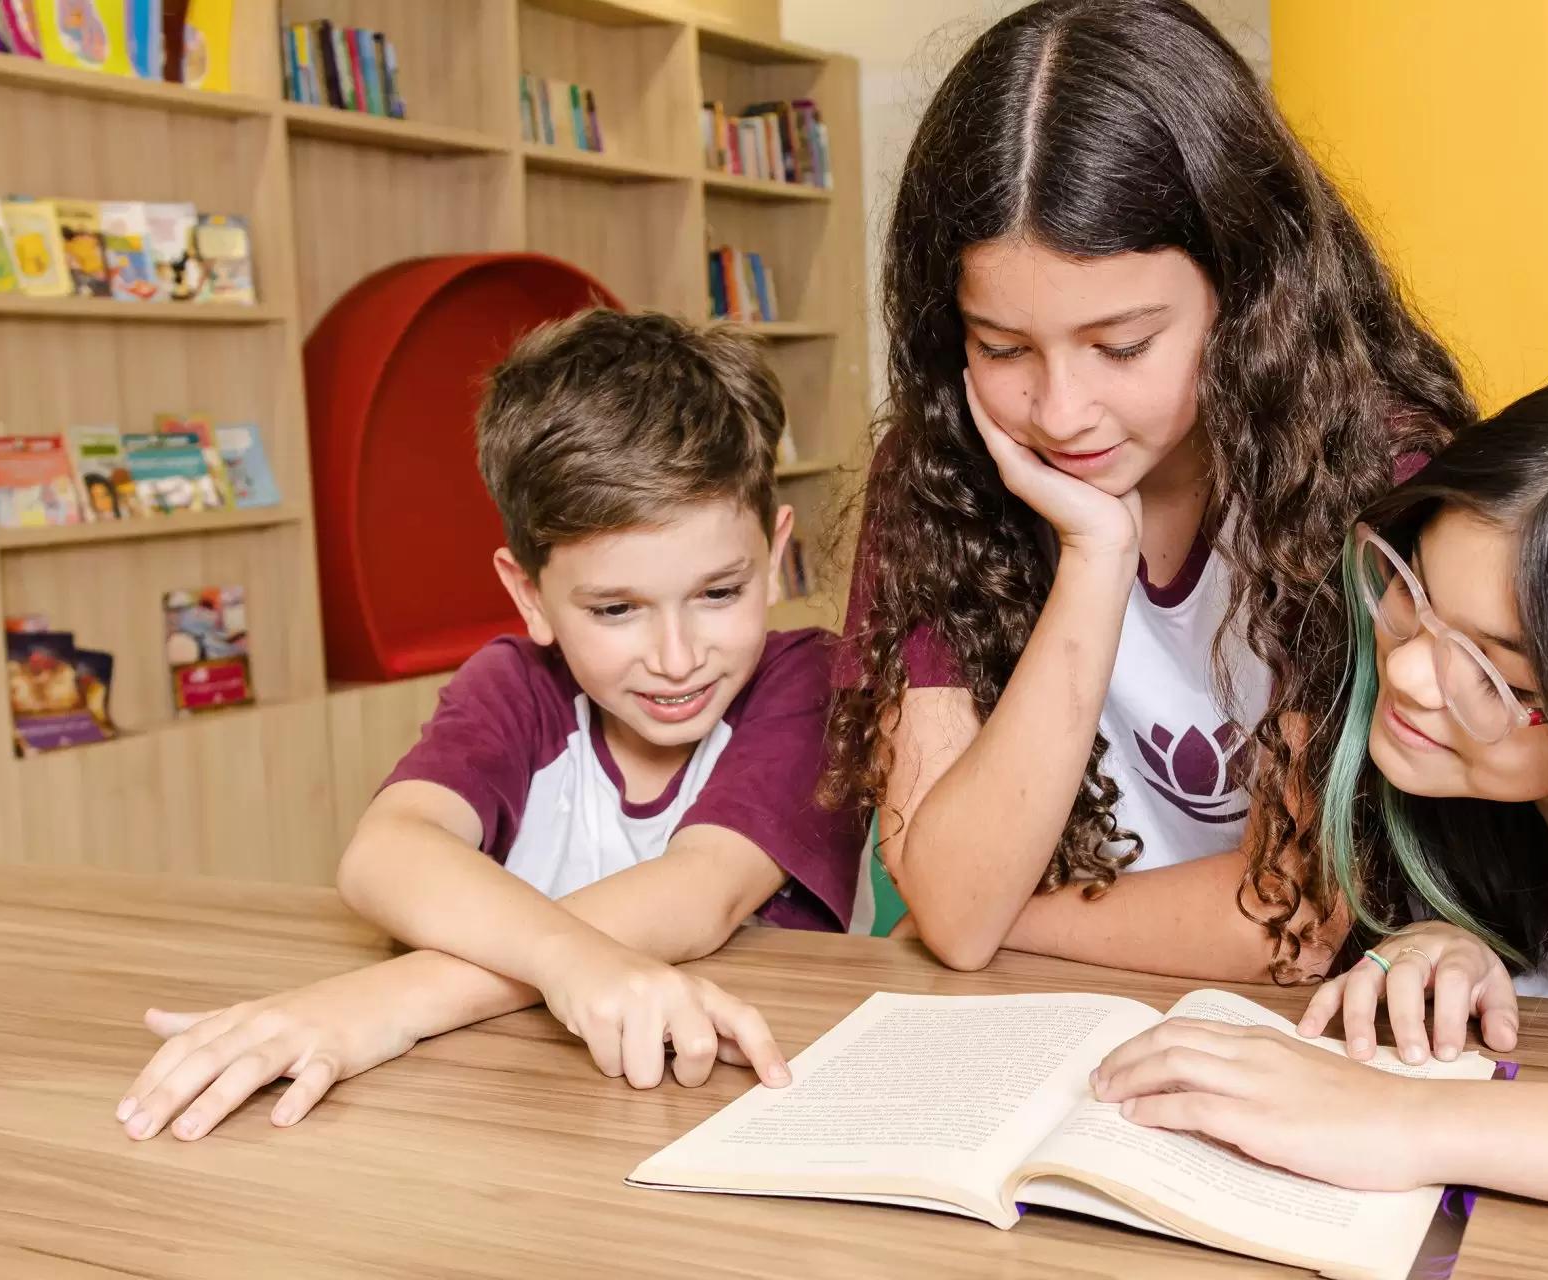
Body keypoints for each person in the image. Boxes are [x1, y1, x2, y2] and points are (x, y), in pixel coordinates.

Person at [1092, 341, 1548, 1240]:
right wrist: (1442, 944)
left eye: (1500, 678)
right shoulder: (1436, 783)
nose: (1406, 671)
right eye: (1412, 592)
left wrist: (1401, 1121)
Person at [822, 0, 1471, 977]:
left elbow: (1291, 919)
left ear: (1250, 292)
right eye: (1002, 347)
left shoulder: (1374, 469)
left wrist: (1008, 915)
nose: (1063, 409)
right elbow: (953, 900)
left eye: (1122, 345)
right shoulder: (941, 467)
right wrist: (1094, 556)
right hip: (1050, 1019)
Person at [115, 310, 867, 1142]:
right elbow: (384, 853)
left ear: (775, 552)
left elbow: (699, 894)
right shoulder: (517, 685)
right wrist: (570, 964)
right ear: (530, 597)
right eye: (617, 608)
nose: (678, 656)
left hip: (758, 1122)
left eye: (720, 592)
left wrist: (382, 1002)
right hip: (525, 1121)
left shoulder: (809, 684)